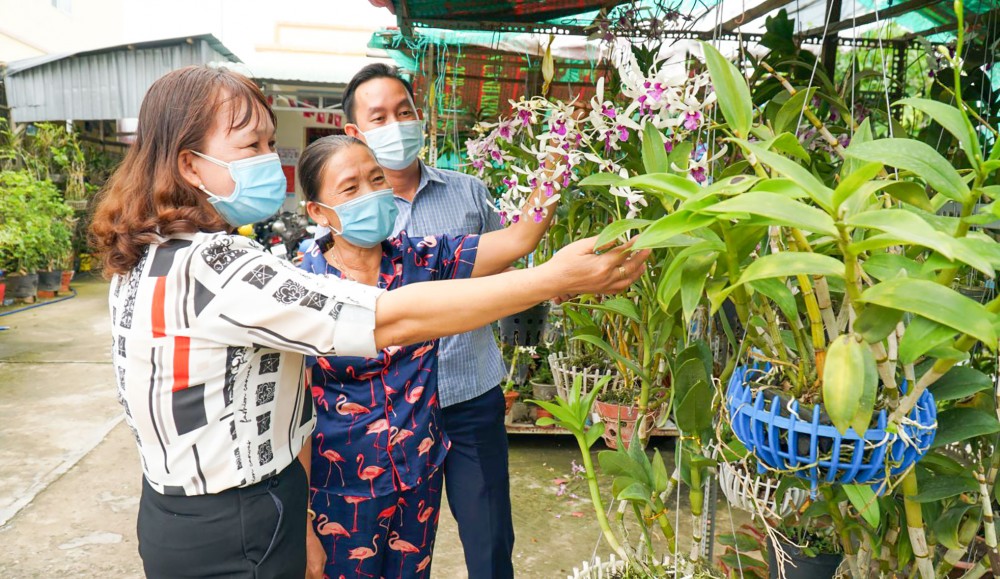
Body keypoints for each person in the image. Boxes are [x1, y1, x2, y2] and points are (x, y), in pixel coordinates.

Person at [89, 65, 648, 579]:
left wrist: (559, 152)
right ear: (190, 164)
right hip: (268, 510)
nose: (269, 160)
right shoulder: (233, 267)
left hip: (282, 494)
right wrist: (551, 279)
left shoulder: (155, 257)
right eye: (252, 145)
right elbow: (387, 320)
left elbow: (284, 405)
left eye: (269, 143)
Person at [297, 135, 559, 578]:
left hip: (418, 478)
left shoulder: (423, 259)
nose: (371, 194)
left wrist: (558, 156)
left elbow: (520, 237)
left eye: (376, 179)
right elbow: (293, 415)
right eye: (351, 188)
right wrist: (302, 523)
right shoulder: (301, 286)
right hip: (338, 495)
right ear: (318, 212)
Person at [342, 62, 519, 579]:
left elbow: (505, 265)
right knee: (391, 547)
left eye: (405, 112)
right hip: (389, 408)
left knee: (490, 540)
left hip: (469, 394)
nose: (396, 125)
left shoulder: (469, 193)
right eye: (379, 117)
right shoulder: (351, 214)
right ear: (355, 132)